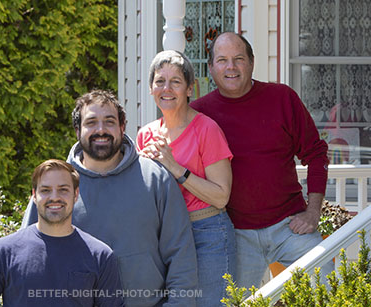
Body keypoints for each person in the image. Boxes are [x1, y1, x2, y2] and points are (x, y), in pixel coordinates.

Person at [21, 90, 198, 306]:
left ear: (122, 128)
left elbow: (181, 256)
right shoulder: (56, 186)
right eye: (91, 122)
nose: (101, 130)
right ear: (78, 130)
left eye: (109, 121)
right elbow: (29, 259)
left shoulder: (155, 179)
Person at [190, 32, 334, 290]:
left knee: (326, 282)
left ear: (252, 62)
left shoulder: (282, 99)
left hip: (290, 226)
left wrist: (313, 213)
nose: (231, 67)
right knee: (233, 301)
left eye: (238, 59)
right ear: (211, 67)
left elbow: (316, 153)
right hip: (234, 233)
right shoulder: (199, 114)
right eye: (222, 60)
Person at [136, 50, 235, 306]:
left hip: (207, 234)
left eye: (176, 82)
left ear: (190, 89)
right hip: (165, 236)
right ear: (151, 88)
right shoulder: (145, 135)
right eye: (160, 81)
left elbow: (221, 196)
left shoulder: (207, 129)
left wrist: (174, 167)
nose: (166, 88)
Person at [0, 159, 124, 307]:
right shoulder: (3, 252)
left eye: (63, 190)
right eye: (46, 190)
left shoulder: (100, 256)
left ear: (75, 195)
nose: (54, 197)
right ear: (34, 195)